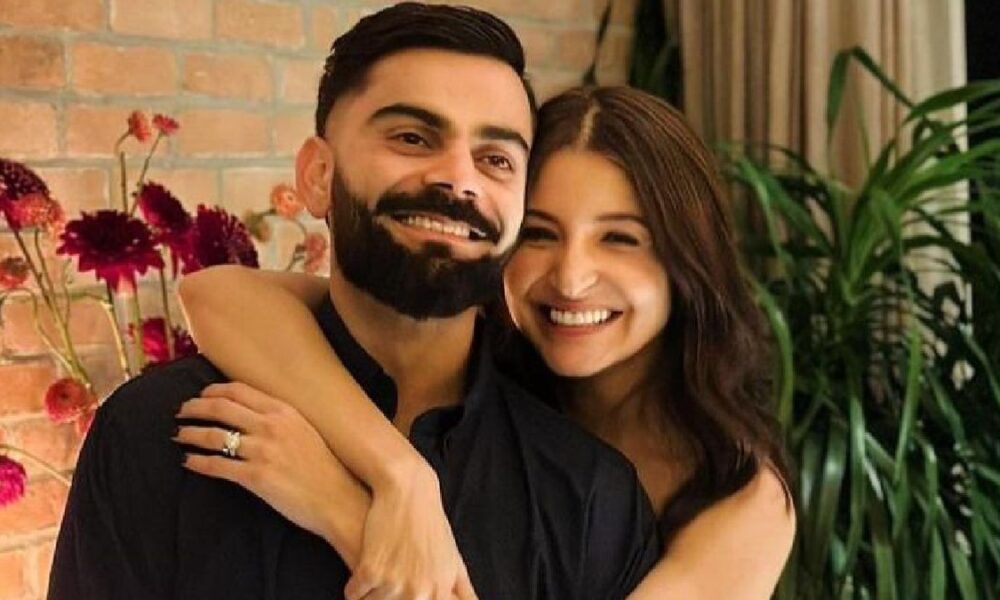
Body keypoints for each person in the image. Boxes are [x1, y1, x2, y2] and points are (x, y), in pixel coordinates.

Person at [48, 5, 662, 600]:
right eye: (413, 137)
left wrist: (347, 515)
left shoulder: (589, 499)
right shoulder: (161, 430)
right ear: (318, 176)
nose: (459, 179)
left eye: (496, 159)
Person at [178, 85, 797, 599]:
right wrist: (401, 478)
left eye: (619, 239)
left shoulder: (741, 497)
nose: (571, 279)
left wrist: (342, 510)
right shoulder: (478, 353)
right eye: (540, 234)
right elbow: (218, 296)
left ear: (687, 262)